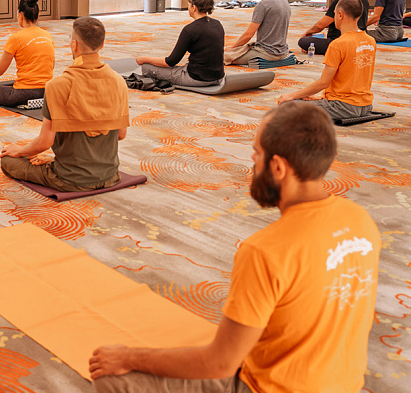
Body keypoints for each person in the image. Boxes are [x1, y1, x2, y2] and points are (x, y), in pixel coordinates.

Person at [90, 102, 380, 393]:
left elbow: (221, 364)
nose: (252, 163)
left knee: (112, 379)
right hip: (345, 385)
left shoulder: (266, 250)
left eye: (256, 153)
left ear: (278, 167)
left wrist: (128, 356)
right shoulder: (361, 220)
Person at [0, 16, 129, 192]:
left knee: (8, 161)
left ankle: (60, 165)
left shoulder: (57, 85)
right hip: (111, 176)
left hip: (70, 180)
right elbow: (121, 135)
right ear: (102, 45)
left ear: (74, 45)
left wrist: (19, 150)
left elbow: (45, 142)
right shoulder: (119, 81)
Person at [278, 0, 375, 120]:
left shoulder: (338, 44)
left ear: (340, 15)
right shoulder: (370, 41)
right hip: (365, 105)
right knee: (303, 99)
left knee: (287, 105)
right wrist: (320, 97)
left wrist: (291, 95)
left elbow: (324, 82)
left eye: (334, 14)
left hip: (342, 107)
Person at [0, 0, 55, 107]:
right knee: (11, 84)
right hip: (48, 91)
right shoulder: (47, 35)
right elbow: (52, 64)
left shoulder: (16, 38)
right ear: (38, 15)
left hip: (24, 94)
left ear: (20, 15)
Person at [136, 0, 224, 87]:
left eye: (189, 6)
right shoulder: (217, 24)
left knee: (146, 67)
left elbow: (170, 61)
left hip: (197, 78)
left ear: (194, 8)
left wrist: (144, 59)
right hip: (218, 78)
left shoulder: (190, 29)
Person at [224, 0, 291, 64]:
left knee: (223, 56)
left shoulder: (263, 5)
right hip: (282, 52)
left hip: (266, 53)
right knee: (244, 48)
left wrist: (232, 48)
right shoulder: (285, 3)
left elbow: (248, 35)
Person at [298, 0, 369, 55]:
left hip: (339, 41)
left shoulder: (341, 1)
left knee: (304, 41)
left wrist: (307, 33)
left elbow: (321, 25)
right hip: (360, 41)